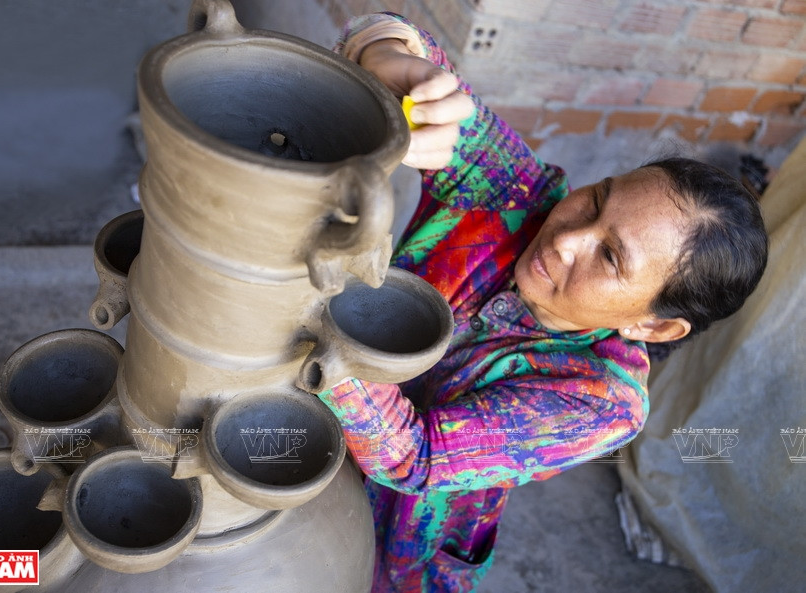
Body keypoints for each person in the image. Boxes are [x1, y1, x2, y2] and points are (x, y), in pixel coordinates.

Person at [317, 13, 769, 593]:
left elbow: (416, 457)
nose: (564, 238)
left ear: (652, 326)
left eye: (609, 257)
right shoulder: (515, 192)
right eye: (596, 199)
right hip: (301, 428)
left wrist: (316, 307)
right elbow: (405, 45)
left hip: (401, 534)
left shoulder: (600, 399)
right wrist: (387, 58)